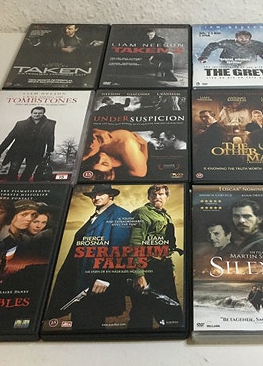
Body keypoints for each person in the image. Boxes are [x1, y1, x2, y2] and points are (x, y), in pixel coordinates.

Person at [45, 185, 133, 330]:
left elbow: (119, 248)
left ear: (111, 195)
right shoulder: (95, 215)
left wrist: (104, 278)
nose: (96, 197)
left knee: (90, 322)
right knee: (80, 321)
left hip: (97, 279)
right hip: (82, 278)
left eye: (101, 194)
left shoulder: (120, 214)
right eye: (93, 195)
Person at [128, 184, 183, 329]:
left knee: (172, 312)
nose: (157, 197)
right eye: (154, 194)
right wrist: (139, 274)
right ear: (149, 197)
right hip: (147, 267)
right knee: (142, 313)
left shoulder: (166, 215)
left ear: (167, 197)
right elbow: (134, 244)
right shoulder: (141, 213)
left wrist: (171, 267)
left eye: (161, 194)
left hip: (163, 267)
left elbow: (167, 245)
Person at [0, 106, 56, 182]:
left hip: (36, 151)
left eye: (40, 113)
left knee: (30, 169)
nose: (37, 115)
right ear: (31, 113)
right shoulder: (20, 124)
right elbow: (10, 137)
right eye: (35, 113)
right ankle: (11, 185)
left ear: (43, 114)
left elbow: (51, 137)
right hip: (19, 150)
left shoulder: (50, 124)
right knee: (14, 168)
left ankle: (23, 184)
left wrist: (49, 151)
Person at [80, 128, 148, 180]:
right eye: (105, 163)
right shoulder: (135, 168)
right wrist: (145, 145)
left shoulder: (91, 151)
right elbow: (142, 172)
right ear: (112, 169)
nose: (101, 157)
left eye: (95, 161)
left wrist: (95, 131)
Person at [197, 30, 263, 65]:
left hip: (249, 68)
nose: (243, 39)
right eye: (241, 37)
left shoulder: (257, 45)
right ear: (236, 38)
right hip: (227, 66)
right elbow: (212, 46)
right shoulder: (228, 43)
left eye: (246, 37)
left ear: (250, 38)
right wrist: (204, 56)